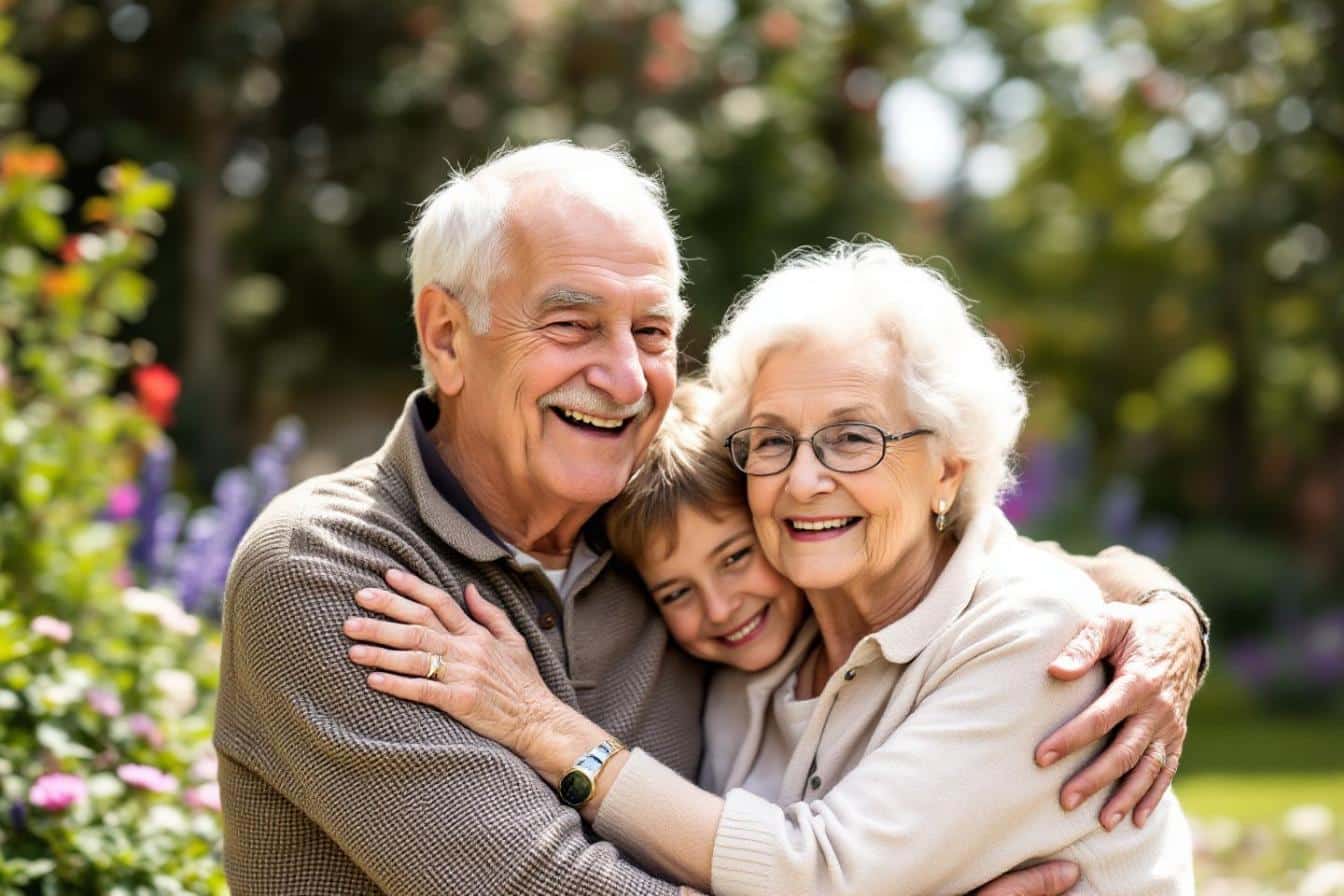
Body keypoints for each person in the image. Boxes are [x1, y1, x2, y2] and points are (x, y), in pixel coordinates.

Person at [216, 141, 1206, 895]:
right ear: (446, 335)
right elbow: (549, 885)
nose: (623, 376)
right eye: (572, 324)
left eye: (652, 331)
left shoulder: (644, 519)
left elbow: (981, 562)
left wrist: (1166, 617)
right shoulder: (332, 570)